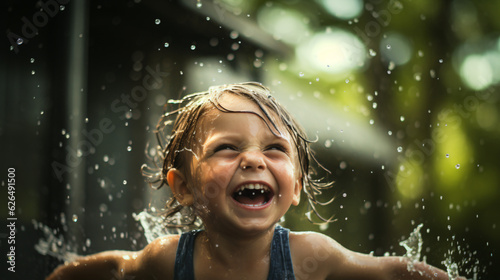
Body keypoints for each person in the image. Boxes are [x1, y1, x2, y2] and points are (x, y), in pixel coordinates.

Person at [47, 82, 461, 280]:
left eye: (275, 150)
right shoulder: (166, 261)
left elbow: (390, 272)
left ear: (295, 186)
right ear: (184, 187)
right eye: (226, 148)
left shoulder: (309, 258)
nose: (252, 159)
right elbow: (113, 268)